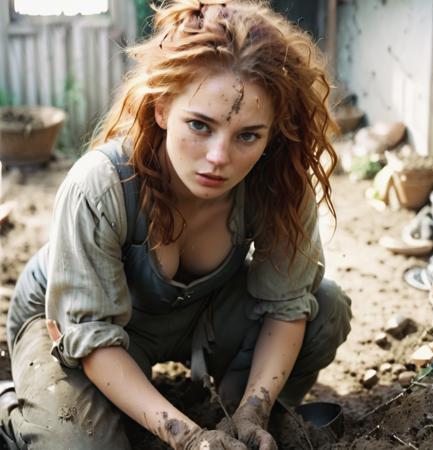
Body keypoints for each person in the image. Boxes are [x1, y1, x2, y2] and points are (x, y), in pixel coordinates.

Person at [2, 0, 352, 449]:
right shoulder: (100, 184)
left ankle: (225, 413)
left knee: (325, 308)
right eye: (200, 125)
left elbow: (285, 308)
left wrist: (250, 411)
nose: (219, 158)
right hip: (75, 328)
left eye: (248, 135)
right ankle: (18, 405)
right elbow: (91, 338)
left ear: (272, 132)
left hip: (196, 315)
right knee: (77, 443)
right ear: (163, 108)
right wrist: (186, 437)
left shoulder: (278, 184)